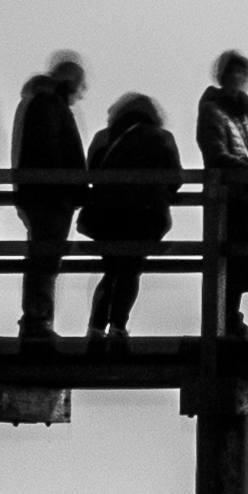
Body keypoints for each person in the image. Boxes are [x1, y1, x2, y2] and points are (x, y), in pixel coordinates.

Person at [79, 92, 180, 343]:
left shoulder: (103, 137)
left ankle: (95, 328)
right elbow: (175, 179)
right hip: (144, 216)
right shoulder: (162, 137)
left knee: (111, 269)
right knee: (131, 270)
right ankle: (118, 328)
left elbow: (91, 173)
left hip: (106, 216)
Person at [12, 53, 89, 342]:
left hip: (44, 194)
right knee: (45, 258)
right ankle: (37, 320)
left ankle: (38, 319)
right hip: (51, 196)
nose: (83, 92)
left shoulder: (41, 101)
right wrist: (68, 188)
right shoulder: (49, 103)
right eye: (81, 84)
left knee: (44, 257)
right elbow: (50, 150)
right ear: (71, 81)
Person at [194, 51, 248, 340]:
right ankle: (226, 322)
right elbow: (216, 153)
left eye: (245, 75)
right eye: (237, 73)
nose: (242, 80)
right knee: (231, 262)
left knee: (246, 263)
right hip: (230, 200)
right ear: (225, 75)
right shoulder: (213, 110)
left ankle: (231, 320)